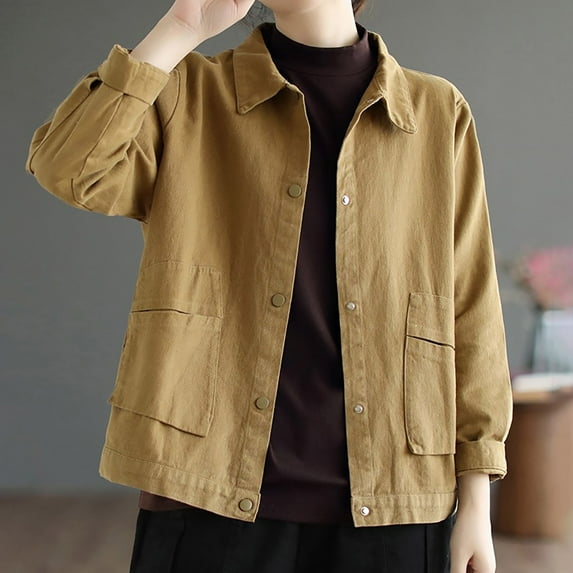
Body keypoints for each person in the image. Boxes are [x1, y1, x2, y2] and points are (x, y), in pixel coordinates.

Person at [25, 1, 514, 572]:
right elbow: (69, 169)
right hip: (204, 485)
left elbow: (469, 306)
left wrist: (476, 500)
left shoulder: (436, 110)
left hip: (395, 498)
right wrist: (180, 29)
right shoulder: (188, 92)